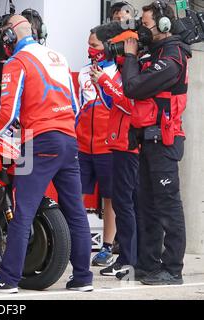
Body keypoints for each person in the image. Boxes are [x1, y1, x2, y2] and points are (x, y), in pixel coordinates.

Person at [0, 15, 93, 293]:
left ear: (9, 38)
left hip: (40, 143)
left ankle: (8, 279)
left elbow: (7, 113)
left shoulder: (17, 62)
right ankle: (82, 279)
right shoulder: (58, 57)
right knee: (76, 213)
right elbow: (76, 106)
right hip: (68, 139)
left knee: (23, 212)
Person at [122, 1, 190, 285]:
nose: (142, 30)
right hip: (148, 141)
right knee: (147, 206)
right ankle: (149, 265)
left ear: (163, 26)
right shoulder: (155, 52)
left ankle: (173, 269)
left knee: (168, 207)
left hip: (165, 141)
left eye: (146, 24)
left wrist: (130, 57)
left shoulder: (173, 56)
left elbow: (133, 87)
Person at [89, 30, 140, 277]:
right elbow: (112, 103)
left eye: (116, 47)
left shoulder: (135, 70)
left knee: (126, 204)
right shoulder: (122, 73)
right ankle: (128, 259)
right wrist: (102, 83)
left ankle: (129, 260)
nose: (112, 52)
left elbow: (129, 104)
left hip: (129, 147)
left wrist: (105, 83)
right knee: (125, 204)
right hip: (119, 145)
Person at [76, 29, 117, 267]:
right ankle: (75, 241)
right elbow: (79, 107)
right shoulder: (82, 72)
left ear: (108, 46)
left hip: (108, 146)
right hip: (82, 146)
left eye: (95, 45)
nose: (91, 49)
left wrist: (102, 82)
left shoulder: (117, 72)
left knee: (110, 198)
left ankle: (108, 246)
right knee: (75, 195)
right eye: (89, 44)